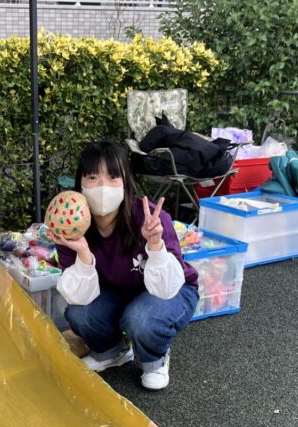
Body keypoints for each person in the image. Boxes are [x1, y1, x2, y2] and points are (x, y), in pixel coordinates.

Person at [54, 140, 199, 391]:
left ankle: (155, 360)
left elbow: (167, 288)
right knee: (78, 313)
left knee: (141, 317)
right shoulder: (72, 225)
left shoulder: (150, 219)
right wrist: (84, 254)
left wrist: (155, 244)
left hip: (172, 291)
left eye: (113, 177)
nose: (102, 187)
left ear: (125, 182)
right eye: (92, 177)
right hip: (117, 292)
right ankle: (113, 352)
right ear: (80, 183)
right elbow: (77, 297)